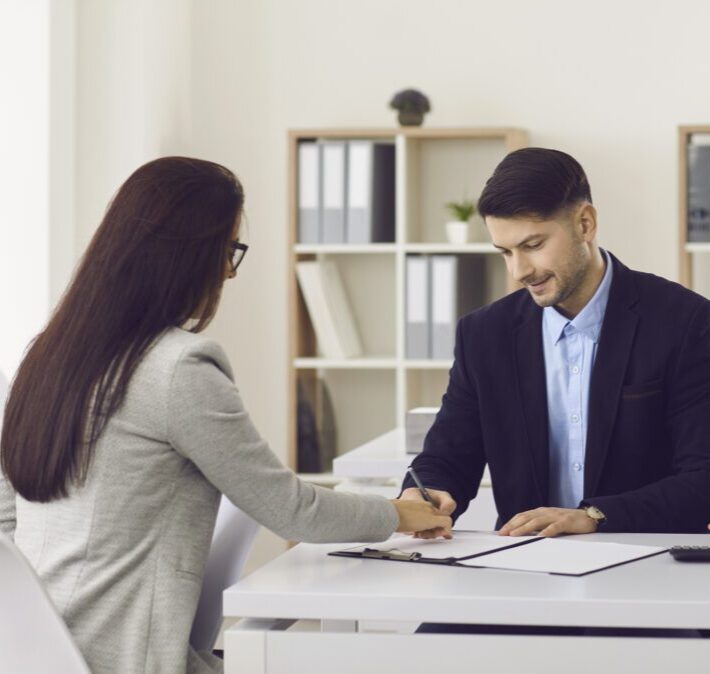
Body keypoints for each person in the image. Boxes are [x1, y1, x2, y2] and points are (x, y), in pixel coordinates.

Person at [0, 157, 451, 674]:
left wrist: (39, 639)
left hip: (35, 653)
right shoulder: (177, 367)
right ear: (191, 256)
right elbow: (290, 511)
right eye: (228, 251)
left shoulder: (47, 356)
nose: (228, 272)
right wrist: (397, 513)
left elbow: (5, 518)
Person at [401, 147, 710, 537]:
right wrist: (423, 494)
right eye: (505, 252)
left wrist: (595, 516)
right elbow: (448, 455)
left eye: (532, 246)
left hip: (643, 564)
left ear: (585, 223)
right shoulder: (484, 334)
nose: (519, 271)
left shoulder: (681, 320)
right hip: (525, 565)